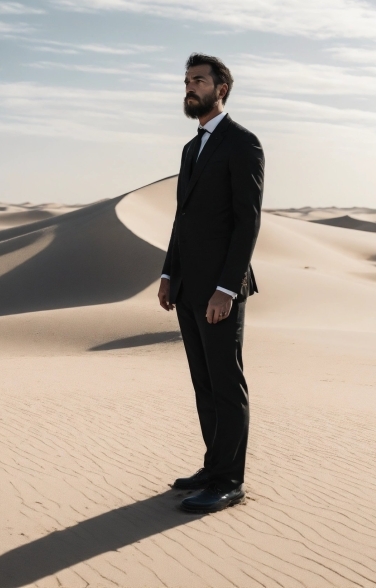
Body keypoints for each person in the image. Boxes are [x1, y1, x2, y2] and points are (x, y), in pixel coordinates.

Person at [158, 53, 265, 514]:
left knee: (225, 382)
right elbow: (182, 218)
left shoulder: (243, 144)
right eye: (186, 80)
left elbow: (247, 222)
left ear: (221, 89)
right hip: (187, 286)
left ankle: (229, 480)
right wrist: (168, 273)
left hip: (220, 289)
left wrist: (226, 287)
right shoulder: (191, 148)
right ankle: (212, 465)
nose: (189, 87)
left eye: (198, 80)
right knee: (203, 382)